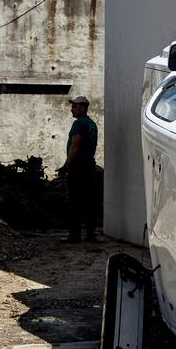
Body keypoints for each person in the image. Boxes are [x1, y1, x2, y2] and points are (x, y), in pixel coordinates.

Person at [57, 95, 99, 243]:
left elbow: (75, 147)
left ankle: (74, 236)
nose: (72, 109)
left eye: (74, 107)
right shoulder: (91, 124)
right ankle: (90, 235)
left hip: (78, 168)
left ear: (82, 108)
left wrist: (65, 165)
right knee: (89, 202)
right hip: (89, 167)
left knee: (75, 202)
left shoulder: (79, 124)